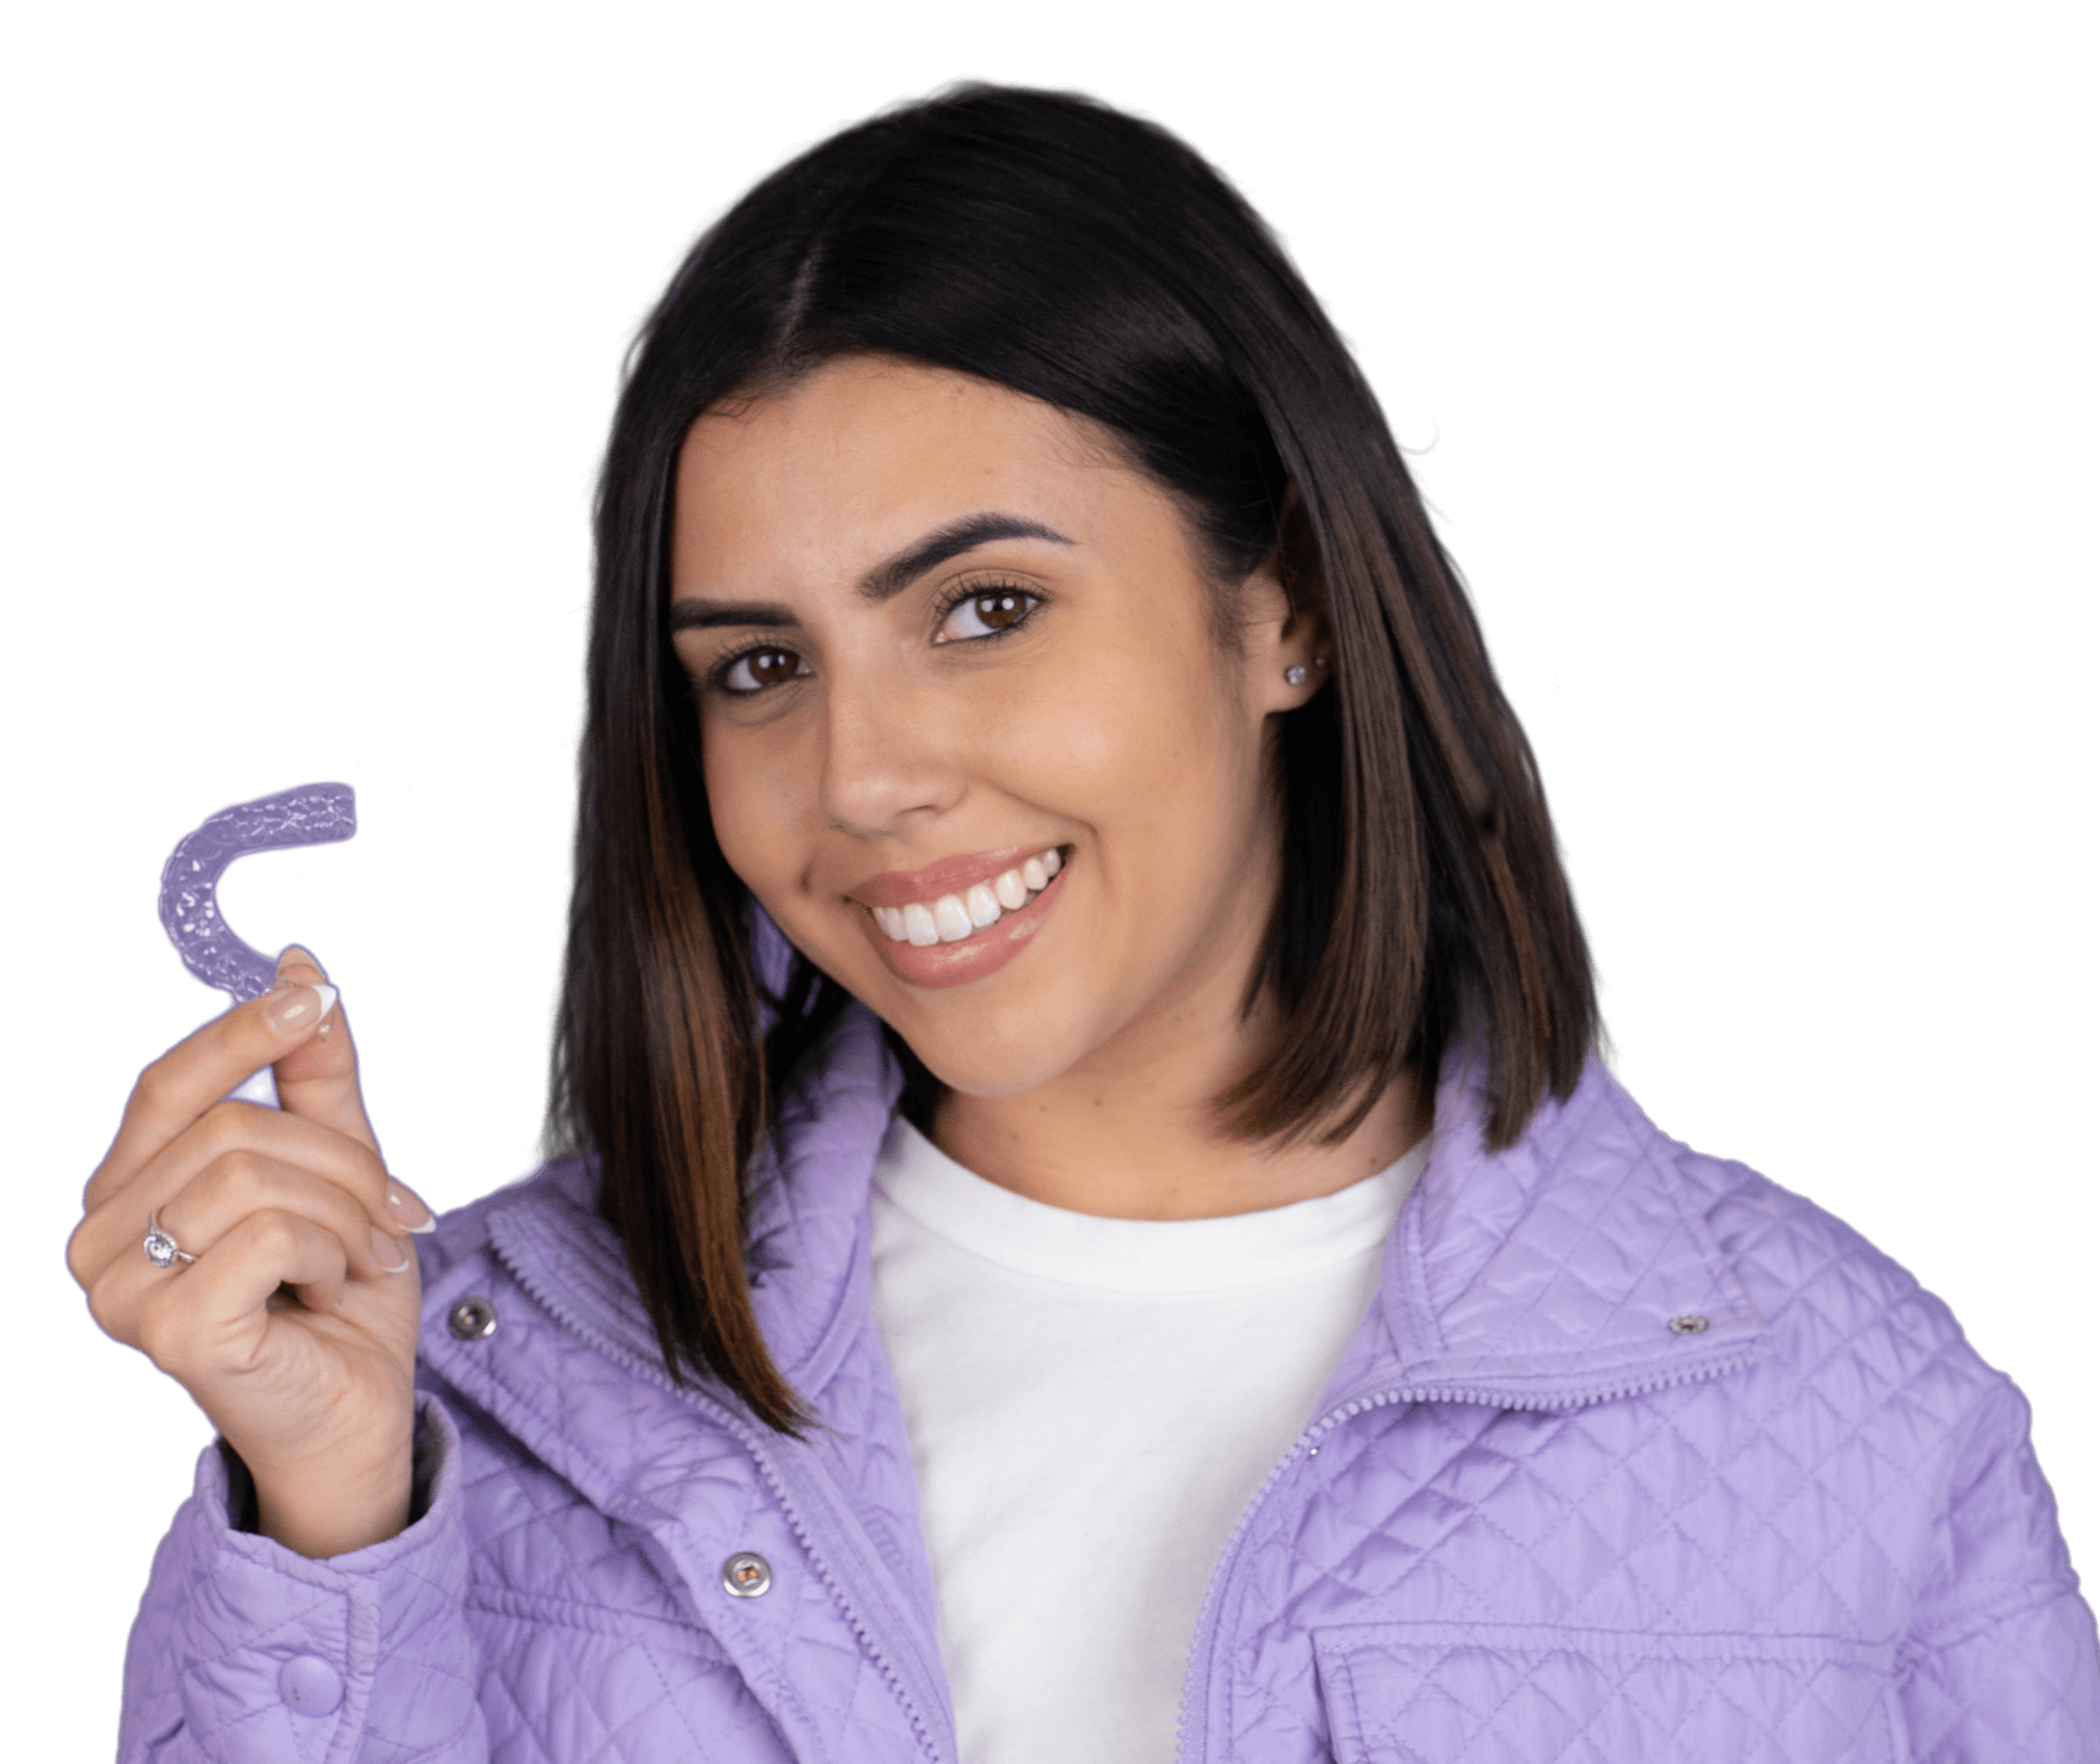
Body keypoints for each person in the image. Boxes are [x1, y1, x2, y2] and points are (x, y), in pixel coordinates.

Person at [74, 78, 2095, 1764]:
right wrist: (330, 1515)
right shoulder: (473, 1379)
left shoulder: (1840, 1407)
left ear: (1282, 606)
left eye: (985, 609)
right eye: (758, 669)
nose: (861, 779)